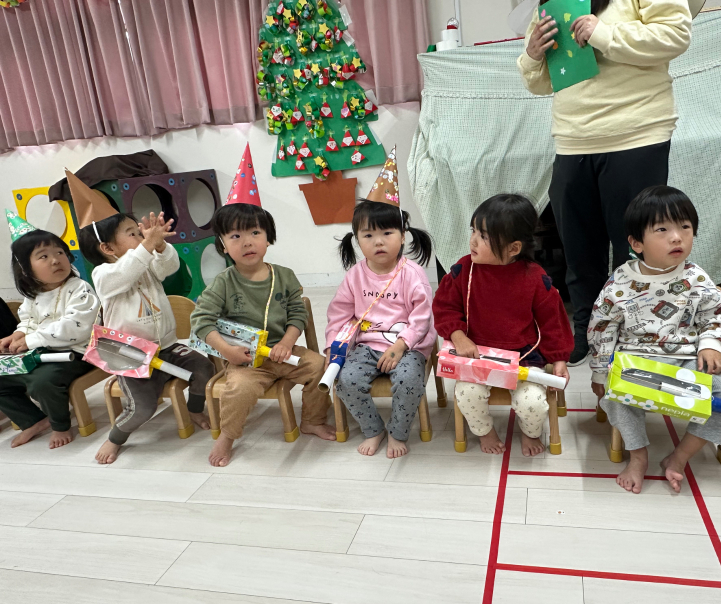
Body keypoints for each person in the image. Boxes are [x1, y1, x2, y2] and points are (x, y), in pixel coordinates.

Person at [518, 0, 693, 366]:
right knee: (579, 247)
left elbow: (675, 35)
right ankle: (588, 327)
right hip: (572, 138)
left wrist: (603, 34)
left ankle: (638, 332)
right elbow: (542, 81)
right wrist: (532, 57)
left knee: (637, 247)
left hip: (637, 132)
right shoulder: (553, 4)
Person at [589, 186, 721, 494]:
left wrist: (711, 344)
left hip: (686, 359)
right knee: (615, 397)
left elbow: (714, 316)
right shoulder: (620, 283)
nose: (677, 237)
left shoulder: (696, 278)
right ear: (636, 243)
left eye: (685, 227)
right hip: (635, 361)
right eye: (662, 230)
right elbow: (601, 329)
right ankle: (638, 456)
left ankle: (678, 458)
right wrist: (600, 372)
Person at [73, 170, 214, 465]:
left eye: (140, 232)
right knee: (143, 408)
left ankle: (195, 409)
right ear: (107, 248)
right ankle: (116, 437)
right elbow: (126, 272)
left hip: (167, 346)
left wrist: (160, 247)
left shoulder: (145, 261)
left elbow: (169, 267)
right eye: (133, 234)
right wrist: (148, 246)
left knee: (204, 367)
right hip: (130, 355)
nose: (141, 237)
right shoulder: (103, 274)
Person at [191, 201, 334, 467]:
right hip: (244, 359)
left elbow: (298, 313)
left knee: (320, 367)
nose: (247, 242)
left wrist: (288, 342)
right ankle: (227, 436)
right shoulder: (223, 283)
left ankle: (312, 421)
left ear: (268, 238)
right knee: (238, 389)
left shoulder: (284, 276)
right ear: (223, 245)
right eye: (235, 236)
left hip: (284, 352)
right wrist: (227, 351)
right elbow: (201, 321)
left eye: (255, 233)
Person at [433, 194, 574, 456]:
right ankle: (485, 432)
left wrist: (559, 359)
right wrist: (459, 336)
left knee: (533, 403)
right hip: (476, 356)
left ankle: (530, 433)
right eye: (473, 230)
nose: (473, 240)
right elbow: (444, 307)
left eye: (484, 236)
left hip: (524, 358)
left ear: (513, 248)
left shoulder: (534, 277)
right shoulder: (464, 269)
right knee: (467, 395)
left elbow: (553, 321)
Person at [328, 150, 435, 458]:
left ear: (403, 236)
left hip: (408, 346)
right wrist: (333, 351)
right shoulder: (354, 275)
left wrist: (400, 347)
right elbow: (339, 316)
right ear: (357, 240)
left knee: (410, 380)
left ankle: (398, 433)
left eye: (387, 233)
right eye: (368, 235)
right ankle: (373, 429)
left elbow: (422, 318)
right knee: (345, 380)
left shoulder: (413, 274)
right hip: (367, 344)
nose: (378, 241)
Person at [0, 213, 99, 449]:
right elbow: (28, 320)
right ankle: (33, 420)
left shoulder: (80, 288)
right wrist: (19, 334)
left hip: (77, 353)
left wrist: (31, 340)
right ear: (25, 269)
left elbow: (76, 327)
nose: (55, 260)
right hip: (42, 353)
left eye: (59, 253)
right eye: (43, 256)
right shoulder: (34, 296)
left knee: (42, 382)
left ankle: (60, 425)